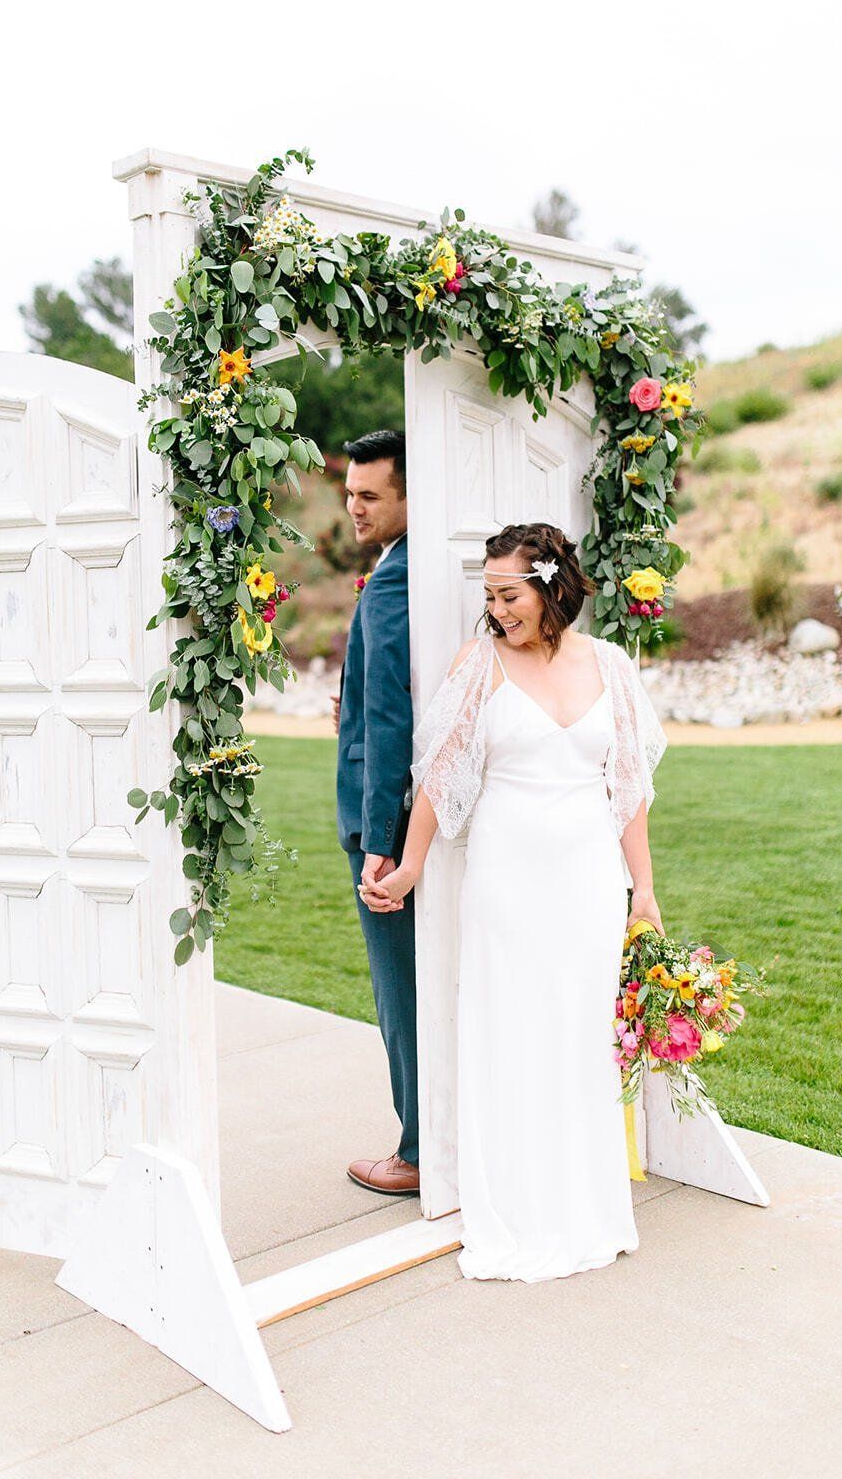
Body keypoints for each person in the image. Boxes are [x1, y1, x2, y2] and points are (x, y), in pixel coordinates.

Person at [361, 520, 668, 1280]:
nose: (498, 610)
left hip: (588, 877)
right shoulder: (479, 663)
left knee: (576, 1034)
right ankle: (513, 1204)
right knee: (511, 1032)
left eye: (509, 595)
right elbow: (440, 772)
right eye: (490, 596)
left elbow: (627, 790)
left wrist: (644, 892)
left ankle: (585, 1204)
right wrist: (407, 866)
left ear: (550, 585)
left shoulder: (610, 665)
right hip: (505, 874)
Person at [332, 429, 420, 1196]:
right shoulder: (406, 569)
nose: (352, 507)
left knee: (402, 992)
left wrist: (379, 843)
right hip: (409, 811)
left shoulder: (394, 582)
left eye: (369, 495)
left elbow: (392, 717)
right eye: (349, 492)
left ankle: (418, 1152)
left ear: (405, 498)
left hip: (383, 824)